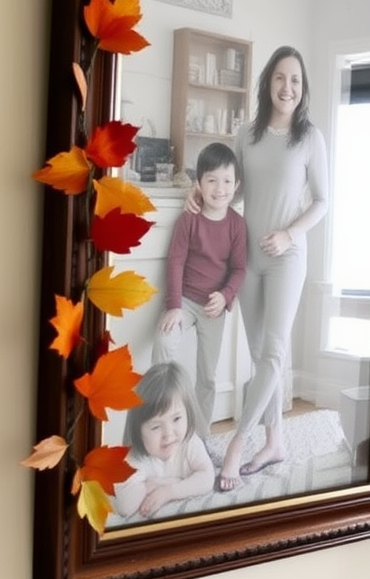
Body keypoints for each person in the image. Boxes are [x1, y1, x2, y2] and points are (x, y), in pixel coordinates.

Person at [216, 46, 329, 492]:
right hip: (249, 257)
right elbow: (235, 190)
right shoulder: (248, 134)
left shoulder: (310, 138)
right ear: (268, 83)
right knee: (262, 353)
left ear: (302, 90)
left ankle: (238, 444)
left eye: (296, 81)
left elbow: (322, 201)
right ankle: (276, 440)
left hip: (287, 258)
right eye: (281, 78)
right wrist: (201, 194)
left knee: (274, 352)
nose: (288, 87)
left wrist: (288, 234)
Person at [151, 142, 247, 435]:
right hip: (185, 301)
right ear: (199, 184)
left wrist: (226, 295)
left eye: (227, 181)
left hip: (214, 307)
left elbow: (239, 268)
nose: (220, 188)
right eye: (212, 180)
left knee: (207, 375)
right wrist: (174, 306)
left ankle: (202, 437)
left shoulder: (237, 225)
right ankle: (161, 418)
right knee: (164, 344)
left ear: (236, 185)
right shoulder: (188, 219)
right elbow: (176, 261)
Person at [113, 362, 215, 519]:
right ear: (138, 431)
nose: (168, 434)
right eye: (155, 427)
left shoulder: (190, 442)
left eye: (176, 419)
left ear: (188, 413)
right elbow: (125, 507)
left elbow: (207, 478)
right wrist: (151, 486)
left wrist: (170, 490)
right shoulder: (135, 458)